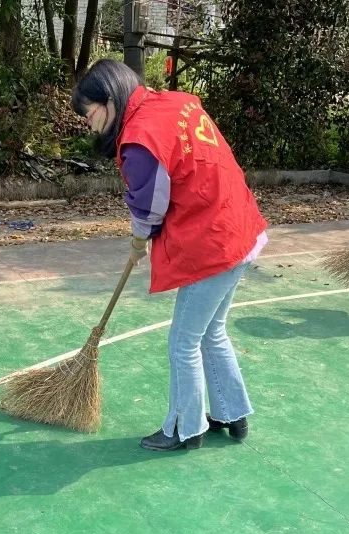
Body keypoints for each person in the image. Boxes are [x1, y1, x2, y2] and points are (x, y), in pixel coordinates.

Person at [72, 59, 268, 451]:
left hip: (211, 243)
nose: (89, 124)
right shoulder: (173, 104)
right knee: (211, 331)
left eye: (90, 113)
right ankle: (232, 414)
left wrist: (138, 237)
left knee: (183, 341)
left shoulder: (142, 136)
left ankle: (184, 429)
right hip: (240, 229)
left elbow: (150, 203)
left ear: (110, 101)